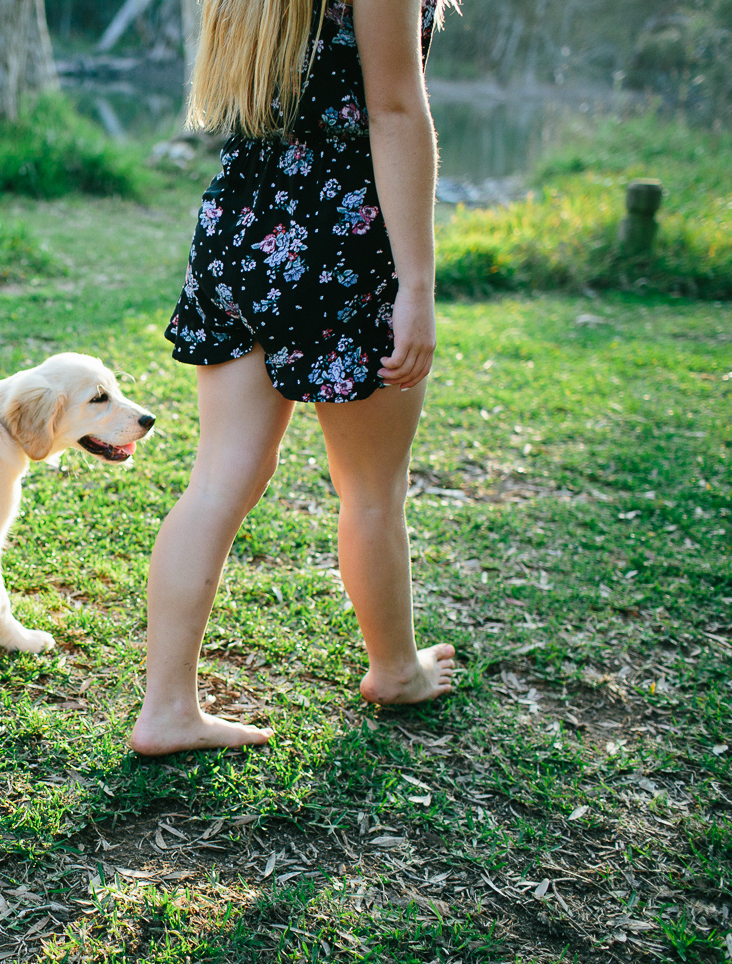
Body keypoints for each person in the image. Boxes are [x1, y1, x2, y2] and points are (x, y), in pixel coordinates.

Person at [129, 0, 457, 755]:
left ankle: (166, 709)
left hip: (242, 214)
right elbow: (397, 109)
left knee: (217, 480)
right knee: (372, 488)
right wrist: (417, 285)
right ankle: (396, 671)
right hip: (342, 230)